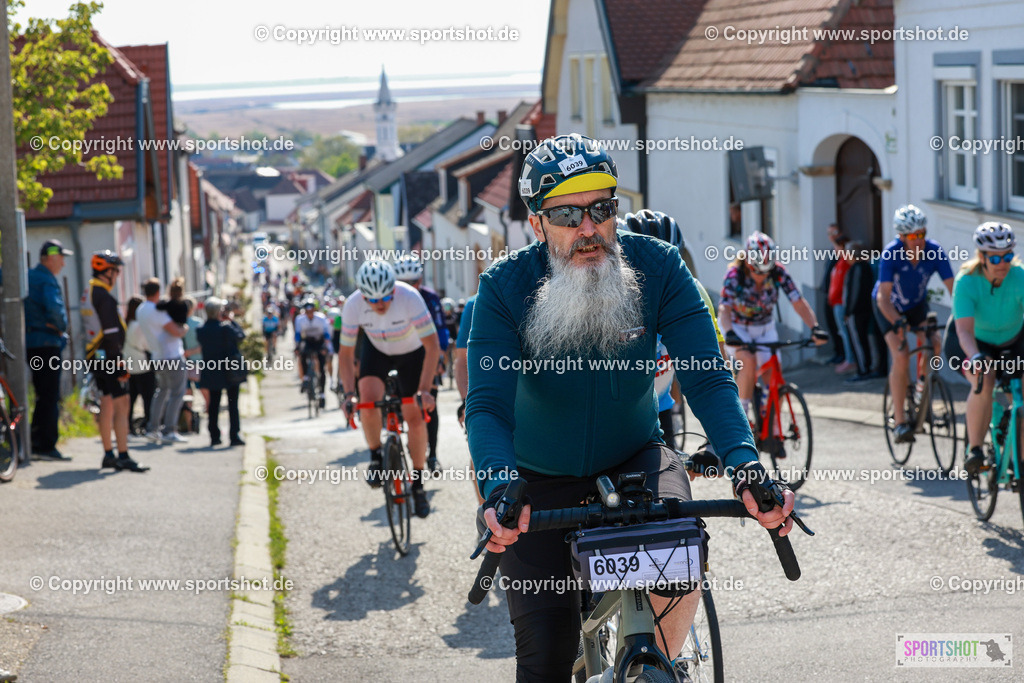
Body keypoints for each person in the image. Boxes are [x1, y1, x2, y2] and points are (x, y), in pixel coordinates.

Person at [468, 133, 794, 680]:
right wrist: (500, 486)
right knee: (544, 659)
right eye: (568, 214)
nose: (589, 228)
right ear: (537, 224)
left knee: (678, 564)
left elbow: (710, 379)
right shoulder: (504, 286)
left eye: (602, 209)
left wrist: (746, 466)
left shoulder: (659, 266)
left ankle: (655, 665)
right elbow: (486, 405)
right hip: (536, 482)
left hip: (636, 462)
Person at [338, 260, 440, 518]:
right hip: (377, 351)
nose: (380, 304)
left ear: (393, 289)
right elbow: (346, 354)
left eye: (385, 296)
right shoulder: (352, 305)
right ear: (362, 295)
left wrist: (425, 390)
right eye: (372, 300)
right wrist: (349, 394)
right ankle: (375, 456)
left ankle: (417, 484)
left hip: (412, 353)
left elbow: (432, 346)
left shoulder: (409, 297)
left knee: (414, 415)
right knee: (367, 402)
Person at [623, 210, 728, 451]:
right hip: (616, 414)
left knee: (671, 485)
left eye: (668, 262)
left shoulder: (694, 293)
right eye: (646, 262)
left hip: (659, 405)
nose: (658, 274)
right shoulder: (611, 292)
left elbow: (714, 369)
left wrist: (716, 439)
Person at [719, 231, 828, 422]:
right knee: (748, 361)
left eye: (765, 272)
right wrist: (729, 332)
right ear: (747, 263)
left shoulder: (778, 272)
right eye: (757, 271)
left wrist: (815, 327)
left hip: (765, 328)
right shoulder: (735, 274)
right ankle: (741, 420)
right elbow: (724, 308)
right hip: (737, 328)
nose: (762, 277)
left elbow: (798, 301)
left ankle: (772, 427)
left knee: (774, 376)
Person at [873, 205, 954, 443]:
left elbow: (954, 289)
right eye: (912, 236)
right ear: (901, 236)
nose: (918, 240)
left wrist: (962, 316)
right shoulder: (891, 254)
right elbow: (882, 297)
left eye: (921, 233)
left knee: (935, 343)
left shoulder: (934, 251)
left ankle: (921, 389)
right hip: (889, 307)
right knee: (901, 354)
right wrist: (897, 322)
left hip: (916, 304)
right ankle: (899, 421)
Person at [948, 223, 1024, 474]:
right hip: (974, 342)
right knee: (984, 378)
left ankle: (1018, 458)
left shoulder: (1019, 276)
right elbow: (964, 332)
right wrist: (977, 356)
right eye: (995, 257)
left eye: (1007, 256)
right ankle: (976, 449)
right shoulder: (967, 281)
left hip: (1012, 339)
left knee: (1020, 391)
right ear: (982, 257)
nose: (1002, 263)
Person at [89, 251, 148, 472]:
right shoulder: (104, 297)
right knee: (122, 404)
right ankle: (123, 455)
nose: (117, 275)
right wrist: (119, 363)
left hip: (96, 356)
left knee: (106, 402)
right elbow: (111, 333)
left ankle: (108, 454)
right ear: (107, 272)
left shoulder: (90, 291)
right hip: (110, 357)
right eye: (116, 271)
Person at [394, 254, 448, 472]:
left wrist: (441, 357)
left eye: (414, 282)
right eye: (405, 283)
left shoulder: (430, 298)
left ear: (420, 279)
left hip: (427, 354)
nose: (411, 288)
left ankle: (432, 454)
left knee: (430, 403)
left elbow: (441, 330)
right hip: (400, 354)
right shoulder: (392, 298)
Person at [25, 239, 73, 460]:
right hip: (47, 344)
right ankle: (45, 445)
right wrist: (61, 326)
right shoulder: (46, 280)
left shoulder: (29, 276)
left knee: (42, 395)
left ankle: (36, 441)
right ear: (51, 257)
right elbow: (55, 312)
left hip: (34, 343)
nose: (63, 263)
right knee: (50, 395)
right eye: (61, 258)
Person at [136, 279, 189, 443]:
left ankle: (153, 428)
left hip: (156, 356)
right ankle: (169, 430)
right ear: (158, 292)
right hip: (171, 355)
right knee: (177, 393)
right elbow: (176, 331)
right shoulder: (156, 311)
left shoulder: (141, 309)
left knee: (162, 392)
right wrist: (185, 328)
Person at [197, 298, 246, 447]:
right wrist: (231, 320)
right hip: (229, 370)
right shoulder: (225, 328)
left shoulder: (201, 330)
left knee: (213, 404)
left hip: (212, 370)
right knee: (232, 404)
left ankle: (214, 436)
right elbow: (241, 336)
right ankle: (234, 436)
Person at [842, 242, 886, 382]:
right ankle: (867, 367)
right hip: (866, 310)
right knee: (864, 341)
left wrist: (848, 311)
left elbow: (854, 292)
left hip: (857, 312)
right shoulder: (866, 266)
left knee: (858, 342)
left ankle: (862, 370)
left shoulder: (858, 268)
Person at [123, 295, 155, 436]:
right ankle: (149, 425)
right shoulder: (139, 326)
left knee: (131, 398)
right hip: (143, 365)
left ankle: (128, 426)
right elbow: (147, 345)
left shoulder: (124, 325)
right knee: (148, 398)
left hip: (128, 365)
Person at [294, 299, 332, 407]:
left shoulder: (321, 318)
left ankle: (322, 394)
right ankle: (305, 378)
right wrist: (297, 346)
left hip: (319, 341)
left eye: (311, 311)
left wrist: (326, 346)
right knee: (302, 355)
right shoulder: (300, 319)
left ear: (314, 310)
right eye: (307, 312)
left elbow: (326, 334)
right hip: (308, 341)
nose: (309, 314)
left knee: (321, 369)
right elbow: (297, 334)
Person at [828, 233, 855, 374]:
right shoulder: (840, 261)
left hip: (841, 303)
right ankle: (847, 358)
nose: (835, 250)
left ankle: (850, 360)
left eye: (836, 247)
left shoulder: (846, 263)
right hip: (836, 303)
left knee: (846, 333)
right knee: (842, 333)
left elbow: (843, 286)